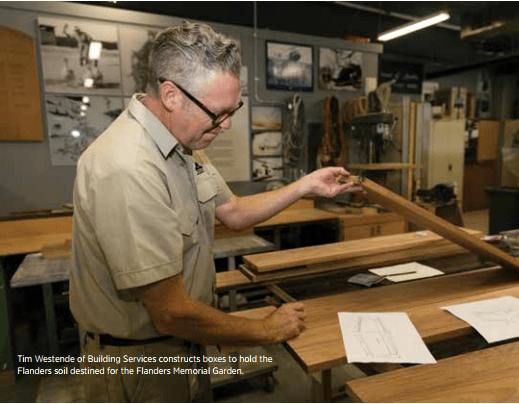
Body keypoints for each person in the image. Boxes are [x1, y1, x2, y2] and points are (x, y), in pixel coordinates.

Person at [70, 21, 361, 402]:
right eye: (218, 113)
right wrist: (261, 330)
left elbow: (235, 212)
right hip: (138, 363)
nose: (225, 125)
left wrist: (307, 185)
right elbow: (170, 312)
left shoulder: (183, 140)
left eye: (233, 110)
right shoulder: (129, 167)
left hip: (182, 344)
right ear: (172, 95)